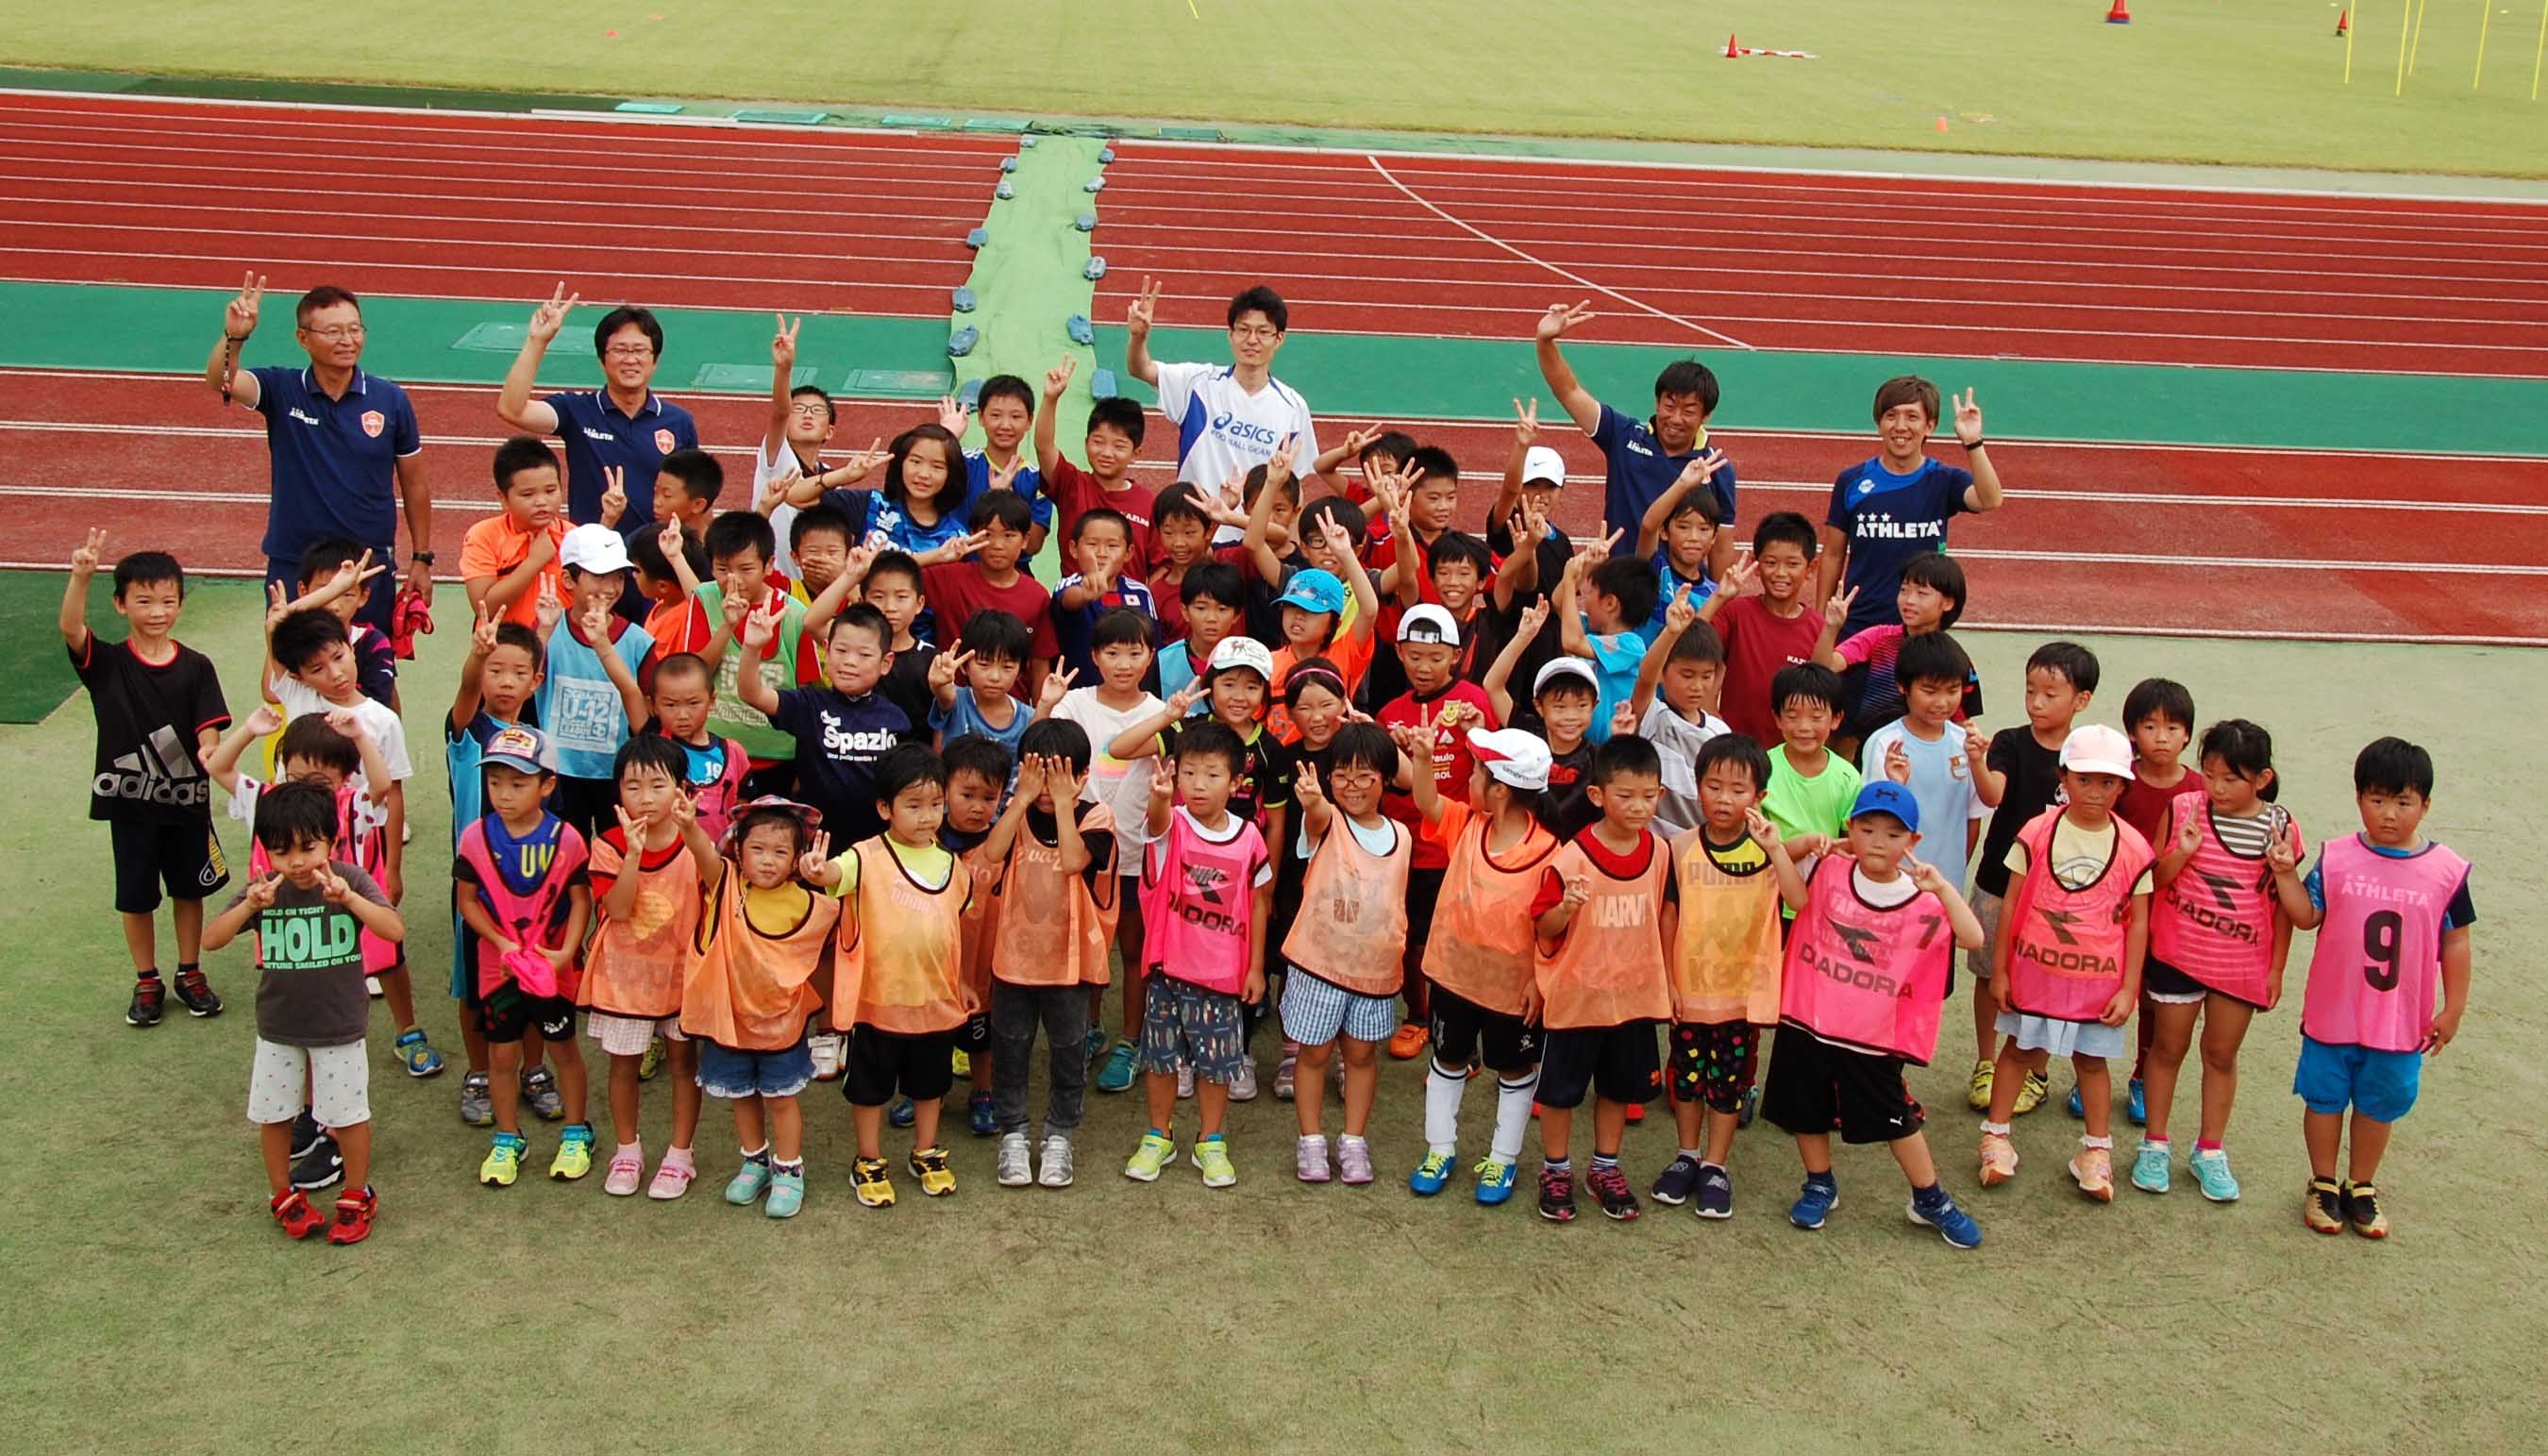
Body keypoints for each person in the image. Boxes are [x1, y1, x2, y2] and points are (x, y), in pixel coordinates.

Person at [1766, 781, 1987, 1248]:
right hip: (1810, 1020)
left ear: (1913, 842)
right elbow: (1793, 896)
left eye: (1893, 834)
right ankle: (1819, 1182)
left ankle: (1929, 1197)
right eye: (1867, 829)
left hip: (1871, 1035)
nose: (1878, 842)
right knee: (1806, 1110)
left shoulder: (1922, 897)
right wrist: (1796, 846)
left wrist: (1943, 886)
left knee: (1895, 1117)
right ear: (1850, 829)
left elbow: (1972, 938)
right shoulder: (1827, 868)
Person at [2270, 737, 2473, 1240]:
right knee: (2323, 1099)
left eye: (2403, 802)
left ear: (2425, 805)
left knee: (2379, 1103)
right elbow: (2307, 916)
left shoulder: (2447, 871)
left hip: (2400, 1021)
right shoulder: (2336, 858)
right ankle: (2321, 1182)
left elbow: (2456, 944)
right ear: (2359, 797)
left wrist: (2454, 1010)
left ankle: (2361, 1185)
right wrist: (2284, 874)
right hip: (2334, 1013)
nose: (2388, 814)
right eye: (2377, 799)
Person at [203, 779, 404, 1246]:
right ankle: (283, 1193)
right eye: (280, 852)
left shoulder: (350, 880)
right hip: (279, 1028)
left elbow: (392, 929)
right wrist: (246, 907)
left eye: (307, 848)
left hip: (339, 1026)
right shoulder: (263, 890)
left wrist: (350, 900)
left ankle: (356, 1194)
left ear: (331, 840)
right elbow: (210, 941)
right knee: (275, 1115)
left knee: (349, 1115)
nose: (295, 862)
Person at [1974, 725, 2154, 1203]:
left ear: (2123, 786)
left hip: (2097, 984)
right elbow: (2011, 904)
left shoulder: (2134, 847)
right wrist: (2003, 969)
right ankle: (1996, 1136)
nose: (2095, 792)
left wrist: (2128, 988)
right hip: (2035, 974)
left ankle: (2095, 1152)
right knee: (2017, 1052)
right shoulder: (2036, 831)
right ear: (2064, 778)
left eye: (2107, 782)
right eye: (2084, 779)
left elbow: (2139, 923)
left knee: (2091, 1063)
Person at [61, 532, 232, 1029]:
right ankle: (147, 979)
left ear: (180, 602)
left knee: (188, 891)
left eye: (167, 600)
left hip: (186, 806)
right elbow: (72, 628)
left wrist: (211, 752)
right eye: (144, 600)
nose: (157, 610)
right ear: (120, 604)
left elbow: (210, 729)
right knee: (135, 896)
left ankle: (189, 972)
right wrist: (80, 576)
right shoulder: (108, 664)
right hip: (131, 811)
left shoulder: (197, 667)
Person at [803, 745, 978, 1207]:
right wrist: (817, 872)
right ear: (885, 808)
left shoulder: (951, 866)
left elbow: (951, 931)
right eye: (913, 805)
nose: (927, 816)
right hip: (877, 1005)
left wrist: (959, 981)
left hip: (935, 1004)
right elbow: (832, 876)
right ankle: (868, 1159)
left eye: (936, 805)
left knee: (931, 1086)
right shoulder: (865, 856)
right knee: (870, 1088)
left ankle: (926, 1152)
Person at [209, 275, 433, 633]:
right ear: (303, 338)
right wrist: (236, 337)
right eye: (332, 332)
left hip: (366, 563)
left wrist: (422, 558)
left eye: (355, 329)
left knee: (374, 673)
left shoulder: (390, 400)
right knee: (294, 670)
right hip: (295, 561)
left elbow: (415, 484)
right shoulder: (281, 389)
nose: (347, 340)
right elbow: (224, 381)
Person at [2138, 719, 2303, 1203]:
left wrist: (2275, 969)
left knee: (2221, 1055)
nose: (2216, 788)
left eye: (2230, 779)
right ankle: (2155, 1143)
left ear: (2262, 779)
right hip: (2178, 954)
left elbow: (2282, 907)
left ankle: (2210, 1150)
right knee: (2166, 1049)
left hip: (2239, 964)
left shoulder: (2280, 826)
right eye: (2209, 775)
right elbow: (2154, 880)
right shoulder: (2184, 809)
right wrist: (2182, 853)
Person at [1400, 728, 1560, 1204]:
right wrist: (1424, 758)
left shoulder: (1550, 852)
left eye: (1475, 773)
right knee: (1447, 1060)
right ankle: (1440, 1150)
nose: (1468, 781)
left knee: (1513, 1072)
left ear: (1500, 790)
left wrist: (1539, 980)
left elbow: (1553, 929)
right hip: (1453, 978)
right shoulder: (1466, 824)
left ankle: (1503, 1160)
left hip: (1513, 992)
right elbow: (1426, 801)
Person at [1528, 734, 1676, 1223]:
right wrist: (1565, 908)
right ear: (1598, 796)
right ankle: (1556, 1168)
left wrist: (1669, 981)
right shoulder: (1572, 857)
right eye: (1625, 795)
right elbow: (1542, 925)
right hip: (1577, 998)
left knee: (1617, 1089)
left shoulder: (1659, 852)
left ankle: (1604, 1167)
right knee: (1560, 1092)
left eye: (1649, 795)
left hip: (1631, 999)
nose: (1639, 806)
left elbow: (1664, 916)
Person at [1124, 722, 1272, 1189]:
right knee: (1161, 1059)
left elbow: (1260, 901)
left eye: (1211, 775)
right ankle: (1158, 1135)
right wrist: (1161, 797)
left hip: (1223, 976)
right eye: (1189, 773)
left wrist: (1255, 966)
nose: (1199, 785)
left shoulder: (1249, 838)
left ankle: (1210, 1140)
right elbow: (1158, 822)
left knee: (1218, 1063)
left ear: (1236, 782)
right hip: (1169, 969)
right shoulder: (1174, 824)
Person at [676, 795, 838, 1219]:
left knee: (781, 1099)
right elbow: (700, 853)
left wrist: (822, 879)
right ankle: (754, 1161)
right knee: (741, 1096)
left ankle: (789, 1169)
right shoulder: (727, 883)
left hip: (780, 1022)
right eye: (758, 850)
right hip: (729, 1019)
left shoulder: (808, 902)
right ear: (738, 852)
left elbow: (837, 925)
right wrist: (689, 825)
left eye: (781, 852)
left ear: (796, 860)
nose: (768, 861)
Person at [452, 726, 595, 1188]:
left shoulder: (568, 838)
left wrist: (567, 952)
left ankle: (577, 1132)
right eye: (495, 783)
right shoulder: (474, 836)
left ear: (547, 784)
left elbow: (580, 900)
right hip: (498, 970)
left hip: (553, 969)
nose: (503, 794)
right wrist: (499, 942)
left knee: (564, 1050)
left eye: (518, 783)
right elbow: (467, 900)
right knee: (501, 1055)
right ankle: (508, 1136)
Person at [981, 721, 1117, 1188]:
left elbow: (1075, 861)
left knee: (1067, 1051)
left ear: (1081, 776)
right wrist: (1021, 798)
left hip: (1070, 964)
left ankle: (1059, 1135)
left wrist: (1063, 802)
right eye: (1039, 772)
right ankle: (1014, 1135)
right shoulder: (1015, 813)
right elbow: (993, 851)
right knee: (1011, 1050)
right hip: (1013, 961)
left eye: (1062, 774)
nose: (1047, 785)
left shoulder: (1095, 816)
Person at [1654, 735, 1785, 1220]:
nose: (1724, 799)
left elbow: (1800, 898)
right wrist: (1667, 982)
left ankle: (1716, 1165)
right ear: (1697, 787)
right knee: (1687, 1080)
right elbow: (1668, 917)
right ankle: (1687, 1155)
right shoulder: (1680, 847)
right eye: (1714, 786)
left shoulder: (1766, 851)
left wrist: (1780, 849)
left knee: (1728, 1085)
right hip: (1689, 992)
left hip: (1739, 996)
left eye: (1738, 789)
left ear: (1759, 798)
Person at [1966, 641, 2100, 1114]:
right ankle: (1987, 1062)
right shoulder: (2009, 742)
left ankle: (2035, 1071)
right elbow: (1994, 794)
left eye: (2050, 694)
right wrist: (1980, 762)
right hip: (1999, 884)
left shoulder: (2087, 758)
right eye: (2030, 691)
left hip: (2057, 897)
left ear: (2081, 700)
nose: (2037, 703)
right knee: (1989, 976)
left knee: (2041, 981)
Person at [1282, 725, 1414, 1185]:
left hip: (1375, 972)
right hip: (1319, 965)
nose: (1352, 786)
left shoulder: (1402, 834)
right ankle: (1312, 1141)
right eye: (1342, 776)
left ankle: (1354, 1141)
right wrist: (1312, 798)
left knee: (1360, 1057)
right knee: (1313, 1055)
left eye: (1364, 776)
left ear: (1385, 779)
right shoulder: (1325, 821)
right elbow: (1317, 813)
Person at [580, 736, 706, 1200]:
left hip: (681, 977)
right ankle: (627, 1149)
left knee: (682, 1064)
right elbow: (617, 908)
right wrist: (632, 854)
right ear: (618, 793)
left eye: (658, 785)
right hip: (625, 980)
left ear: (682, 791)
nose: (646, 797)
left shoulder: (694, 840)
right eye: (633, 786)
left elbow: (718, 881)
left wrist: (695, 834)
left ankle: (680, 1154)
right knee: (623, 1066)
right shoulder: (610, 845)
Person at [1375, 605, 1500, 1062]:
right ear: (1401, 655)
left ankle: (1465, 1012)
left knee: (1457, 938)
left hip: (1458, 848)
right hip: (1406, 850)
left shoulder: (1472, 701)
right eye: (1414, 656)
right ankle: (1417, 1015)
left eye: (1435, 657)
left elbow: (1495, 770)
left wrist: (1477, 731)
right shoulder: (1390, 713)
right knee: (1408, 937)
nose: (1424, 667)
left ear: (1456, 656)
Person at [1533, 300, 1735, 574]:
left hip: (1678, 596)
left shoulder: (1717, 468)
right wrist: (1545, 342)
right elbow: (1569, 391)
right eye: (1669, 405)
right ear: (1656, 402)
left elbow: (1721, 545)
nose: (1675, 418)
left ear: (1706, 416)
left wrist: (1717, 606)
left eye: (1688, 411)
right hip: (1619, 586)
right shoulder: (1624, 436)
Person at [444, 608, 550, 1125]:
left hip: (531, 887)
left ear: (535, 680)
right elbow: (467, 693)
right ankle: (480, 1072)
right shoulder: (468, 730)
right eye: (494, 670)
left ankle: (534, 1069)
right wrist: (476, 656)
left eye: (517, 672)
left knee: (530, 978)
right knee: (472, 987)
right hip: (476, 889)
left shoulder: (537, 733)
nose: (504, 682)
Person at [1052, 609, 1165, 1090]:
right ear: (1095, 655)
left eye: (1134, 652)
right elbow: (1040, 747)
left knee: (1134, 950)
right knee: (1086, 948)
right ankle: (1088, 1029)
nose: (1123, 662)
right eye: (1112, 652)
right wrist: (1044, 704)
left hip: (1138, 853)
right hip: (1087, 849)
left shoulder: (1160, 711)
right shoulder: (1074, 705)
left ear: (1150, 657)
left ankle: (1131, 1041)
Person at [496, 288, 699, 533]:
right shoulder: (577, 410)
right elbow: (512, 410)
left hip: (655, 559)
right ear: (602, 359)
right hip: (591, 558)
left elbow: (694, 500)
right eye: (620, 350)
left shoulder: (679, 422)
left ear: (655, 360)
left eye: (639, 350)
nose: (630, 359)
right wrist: (537, 341)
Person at [1819, 377, 2003, 639]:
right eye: (1891, 416)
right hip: (1858, 626)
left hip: (1920, 630)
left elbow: (1990, 500)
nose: (1900, 426)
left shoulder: (1943, 479)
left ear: (1930, 426)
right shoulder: (1852, 481)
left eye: (1912, 417)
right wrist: (1820, 620)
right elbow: (1833, 555)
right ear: (1879, 424)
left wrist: (1973, 442)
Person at [1124, 278, 1328, 495]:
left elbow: (1294, 485)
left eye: (1263, 332)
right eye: (1243, 329)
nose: (1252, 340)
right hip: (1197, 525)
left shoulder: (1293, 407)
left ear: (1279, 339)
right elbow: (1141, 369)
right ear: (1230, 335)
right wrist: (1139, 336)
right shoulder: (1198, 383)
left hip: (1251, 528)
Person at [738, 602, 908, 850]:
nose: (850, 661)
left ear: (886, 662)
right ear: (827, 651)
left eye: (864, 654)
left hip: (875, 847)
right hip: (815, 844)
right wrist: (752, 647)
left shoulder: (896, 718)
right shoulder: (809, 704)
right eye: (841, 650)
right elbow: (751, 693)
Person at [2110, 676, 2197, 1123]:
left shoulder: (2200, 792)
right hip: (2120, 909)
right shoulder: (2119, 783)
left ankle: (2142, 1076)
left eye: (2172, 728)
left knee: (2151, 1000)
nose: (2161, 738)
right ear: (2132, 733)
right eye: (2149, 727)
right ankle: (2093, 1072)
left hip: (2173, 917)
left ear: (2188, 735)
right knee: (2108, 989)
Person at [538, 525, 654, 842]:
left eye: (618, 576)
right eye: (599, 576)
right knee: (562, 854)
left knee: (613, 854)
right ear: (567, 580)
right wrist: (543, 633)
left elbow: (646, 706)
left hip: (615, 775)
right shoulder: (548, 630)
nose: (612, 586)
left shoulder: (637, 641)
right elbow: (525, 685)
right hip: (559, 772)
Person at [1819, 552, 1972, 758]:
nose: (1908, 600)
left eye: (1921, 593)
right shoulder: (1878, 637)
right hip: (1872, 753)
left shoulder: (1955, 659)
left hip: (1928, 757)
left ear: (1947, 603)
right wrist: (1831, 628)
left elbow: (1962, 723)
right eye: (1904, 590)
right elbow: (1823, 667)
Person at [1700, 511, 1827, 746]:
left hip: (1789, 755)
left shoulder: (1818, 628)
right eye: (1770, 563)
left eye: (1792, 564)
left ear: (1811, 568)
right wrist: (1719, 598)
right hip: (1735, 747)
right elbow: (1691, 643)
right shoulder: (1736, 612)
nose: (1780, 573)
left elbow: (1823, 695)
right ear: (1757, 566)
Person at [920, 491, 1058, 698]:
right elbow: (887, 575)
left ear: (1025, 540)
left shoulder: (1037, 596)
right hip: (955, 707)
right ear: (973, 534)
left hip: (1014, 715)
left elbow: (1039, 665)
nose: (997, 545)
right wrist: (937, 556)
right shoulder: (947, 578)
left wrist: (1040, 720)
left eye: (1009, 535)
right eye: (988, 534)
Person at [1035, 357, 1156, 567]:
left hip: (1126, 600)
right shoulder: (1071, 485)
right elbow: (1044, 447)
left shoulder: (1148, 503)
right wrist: (1050, 398)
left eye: (1119, 446)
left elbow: (1159, 564)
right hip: (1076, 598)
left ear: (1136, 453)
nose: (1107, 453)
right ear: (1086, 443)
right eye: (1098, 442)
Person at [1626, 597, 1730, 837]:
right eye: (1687, 674)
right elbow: (1645, 677)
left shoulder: (1720, 732)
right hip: (1657, 848)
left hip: (1699, 851)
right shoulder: (1653, 716)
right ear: (1664, 672)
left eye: (1706, 676)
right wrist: (1671, 632)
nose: (1697, 686)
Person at [1552, 535, 1659, 745]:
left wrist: (1571, 579)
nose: (1583, 598)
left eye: (1589, 592)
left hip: (1612, 748)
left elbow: (1571, 642)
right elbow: (1559, 602)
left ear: (1610, 603)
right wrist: (1585, 566)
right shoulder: (1589, 631)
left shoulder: (1631, 645)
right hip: (1582, 747)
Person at [460, 437, 569, 629]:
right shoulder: (484, 536)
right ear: (503, 498)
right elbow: (484, 607)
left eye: (550, 491)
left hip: (563, 652)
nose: (541, 501)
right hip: (504, 651)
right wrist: (534, 562)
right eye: (528, 494)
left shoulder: (574, 537)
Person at [644, 652, 750, 842]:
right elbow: (627, 688)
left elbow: (744, 810)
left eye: (693, 703)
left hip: (719, 859)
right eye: (670, 705)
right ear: (654, 705)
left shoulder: (734, 752)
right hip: (672, 857)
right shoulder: (653, 750)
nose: (682, 714)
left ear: (712, 700)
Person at [1053, 509, 1157, 688]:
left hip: (1132, 696)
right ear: (1073, 549)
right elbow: (1067, 600)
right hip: (1079, 695)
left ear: (1129, 552)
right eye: (1092, 544)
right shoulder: (1069, 586)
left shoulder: (1141, 593)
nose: (1101, 553)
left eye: (1112, 546)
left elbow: (1153, 644)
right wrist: (1086, 594)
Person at [1634, 455, 1727, 637]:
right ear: (1664, 532)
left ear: (1714, 537)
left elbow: (1692, 641)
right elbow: (1648, 526)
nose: (1693, 537)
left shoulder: (1714, 594)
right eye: (1683, 527)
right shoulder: (1653, 569)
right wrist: (1683, 484)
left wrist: (1719, 598)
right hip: (1642, 665)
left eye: (1703, 529)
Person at [927, 610, 1038, 761]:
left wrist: (1046, 704)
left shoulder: (1028, 717)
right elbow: (945, 697)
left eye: (1007, 667)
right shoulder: (956, 702)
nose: (995, 677)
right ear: (964, 665)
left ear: (1020, 671)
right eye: (984, 664)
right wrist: (940, 684)